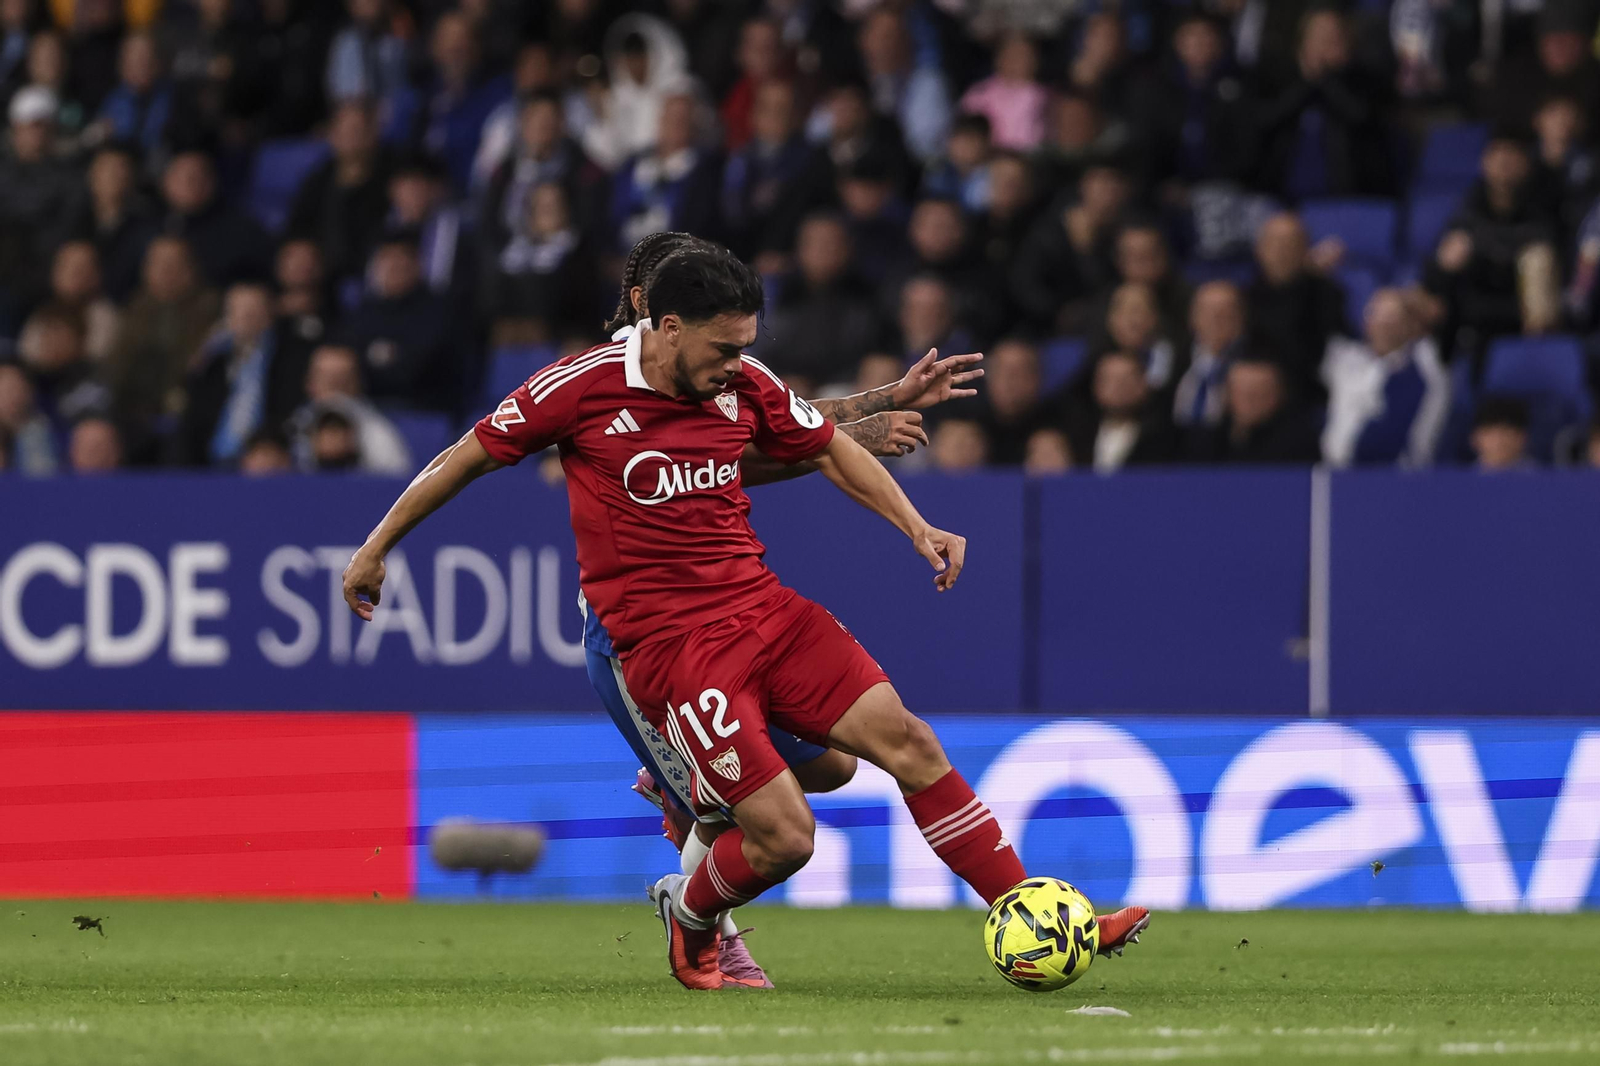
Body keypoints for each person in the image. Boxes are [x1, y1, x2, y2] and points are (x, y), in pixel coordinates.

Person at [340, 240, 1148, 991]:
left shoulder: (734, 380)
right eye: (724, 347)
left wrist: (918, 525)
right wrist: (376, 547)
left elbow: (818, 440)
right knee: (783, 835)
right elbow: (465, 456)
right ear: (664, 324)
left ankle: (1034, 911)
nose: (739, 364)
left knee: (894, 748)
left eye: (745, 346)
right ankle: (693, 910)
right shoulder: (580, 388)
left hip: (763, 609)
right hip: (665, 647)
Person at [583, 231, 976, 986]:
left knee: (829, 767)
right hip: (639, 641)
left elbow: (765, 421)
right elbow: (743, 450)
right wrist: (859, 429)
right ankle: (702, 924)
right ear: (649, 306)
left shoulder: (707, 368)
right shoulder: (617, 384)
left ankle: (681, 805)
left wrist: (881, 402)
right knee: (746, 810)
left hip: (717, 615)